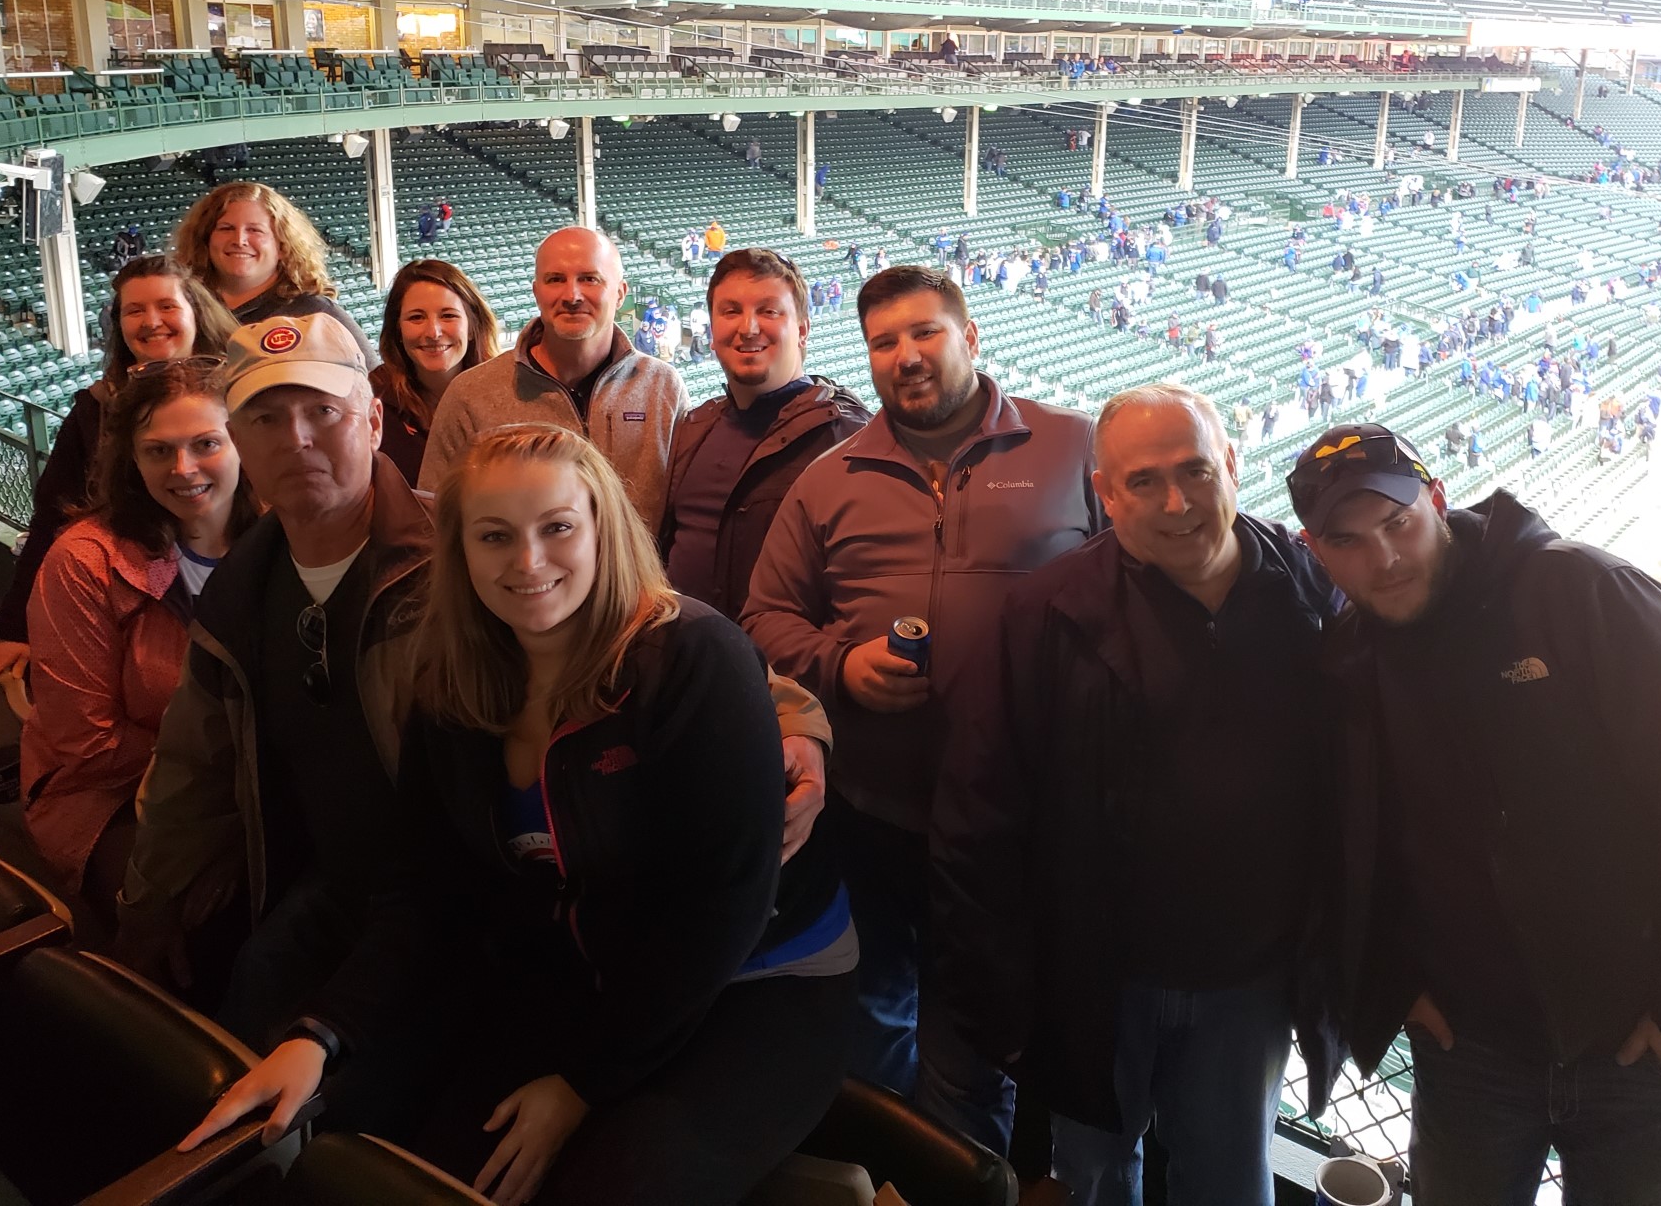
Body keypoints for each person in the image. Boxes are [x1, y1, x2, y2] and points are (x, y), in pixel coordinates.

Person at [1289, 423, 1661, 1206]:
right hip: (1472, 1052)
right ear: (1315, 552)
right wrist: (1393, 983)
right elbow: (1350, 838)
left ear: (1438, 502)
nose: (1381, 559)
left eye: (1397, 523)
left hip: (1645, 1051)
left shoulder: (1582, 592)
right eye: (1346, 541)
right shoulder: (1351, 652)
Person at [396, 426, 856, 1203]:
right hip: (599, 969)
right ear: (461, 551)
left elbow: (723, 907)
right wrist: (331, 1032)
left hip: (758, 977)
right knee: (441, 1164)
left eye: (558, 528)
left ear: (604, 528)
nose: (529, 562)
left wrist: (582, 1085)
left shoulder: (691, 659)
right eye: (495, 537)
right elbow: (434, 887)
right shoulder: (451, 681)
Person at [934, 385, 1341, 1206]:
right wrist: (1008, 990)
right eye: (1145, 481)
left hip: (1248, 980)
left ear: (1232, 464)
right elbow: (979, 813)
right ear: (1105, 495)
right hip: (1100, 980)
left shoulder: (1310, 596)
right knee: (1094, 1176)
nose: (1178, 502)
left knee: (1230, 1178)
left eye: (1195, 470)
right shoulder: (1046, 614)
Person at [744, 265, 1106, 1151]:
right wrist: (841, 663)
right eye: (883, 342)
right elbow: (763, 617)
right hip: (877, 813)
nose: (906, 356)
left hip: (1019, 820)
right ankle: (897, 1170)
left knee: (980, 1034)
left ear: (971, 336)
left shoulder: (1074, 447)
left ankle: (971, 1176)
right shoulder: (830, 480)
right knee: (875, 1015)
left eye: (925, 333)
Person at [124, 312, 447, 1146]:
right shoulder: (240, 591)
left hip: (463, 904)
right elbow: (191, 767)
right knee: (228, 1081)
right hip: (333, 889)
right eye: (266, 418)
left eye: (323, 412)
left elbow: (645, 625)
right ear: (237, 439)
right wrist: (148, 909)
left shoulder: (466, 544)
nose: (295, 438)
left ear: (373, 420)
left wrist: (788, 712)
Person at [22, 358, 258, 934]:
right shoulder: (84, 561)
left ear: (245, 442)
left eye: (206, 443)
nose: (184, 469)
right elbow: (90, 744)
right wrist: (236, 786)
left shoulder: (284, 536)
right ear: (131, 458)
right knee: (218, 921)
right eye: (158, 451)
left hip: (258, 790)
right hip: (113, 797)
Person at [0, 255, 240, 682]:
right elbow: (51, 518)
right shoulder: (95, 409)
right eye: (135, 310)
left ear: (195, 312)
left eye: (166, 306)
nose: (152, 321)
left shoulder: (248, 389)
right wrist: (12, 629)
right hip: (141, 603)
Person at [419, 228, 685, 533]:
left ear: (621, 293)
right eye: (555, 279)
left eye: (590, 279)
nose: (572, 295)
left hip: (637, 581)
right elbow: (433, 525)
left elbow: (687, 520)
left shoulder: (663, 387)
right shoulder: (470, 395)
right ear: (536, 292)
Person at [661, 249, 869, 621]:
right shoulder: (693, 427)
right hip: (683, 668)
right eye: (731, 311)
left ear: (803, 330)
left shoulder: (849, 439)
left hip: (785, 674)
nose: (748, 327)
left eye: (769, 311)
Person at [172, 182, 374, 364]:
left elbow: (373, 386)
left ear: (282, 246)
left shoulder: (315, 314)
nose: (239, 240)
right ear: (205, 240)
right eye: (226, 228)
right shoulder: (184, 309)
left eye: (255, 230)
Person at [369, 259, 502, 488]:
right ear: (397, 330)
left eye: (448, 315)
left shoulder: (507, 390)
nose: (433, 332)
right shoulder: (372, 398)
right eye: (416, 317)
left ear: (472, 327)